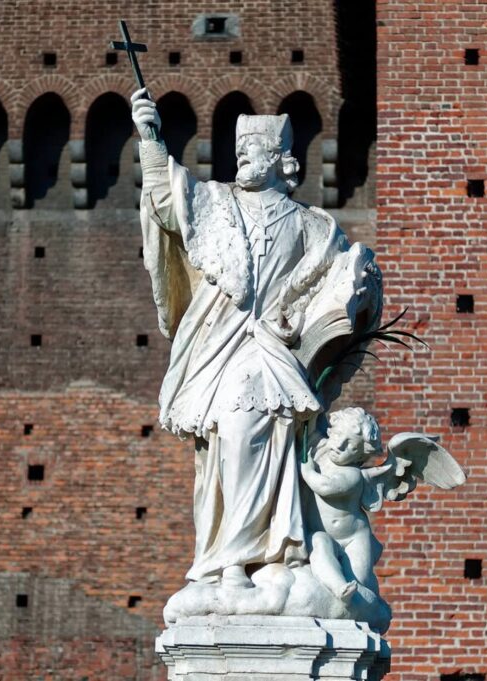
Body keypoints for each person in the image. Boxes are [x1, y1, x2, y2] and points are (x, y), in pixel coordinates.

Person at [131, 88, 348, 588]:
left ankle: (256, 556)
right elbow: (166, 200)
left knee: (270, 437)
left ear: (279, 159)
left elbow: (339, 279)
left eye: (252, 150)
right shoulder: (216, 203)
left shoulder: (313, 226)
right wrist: (150, 138)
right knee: (224, 443)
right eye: (240, 150)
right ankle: (228, 555)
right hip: (219, 344)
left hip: (274, 346)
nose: (242, 157)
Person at [299, 408, 389, 600]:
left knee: (361, 580)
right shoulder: (320, 452)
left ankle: (365, 599)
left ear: (360, 455)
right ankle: (339, 588)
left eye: (351, 446)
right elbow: (309, 428)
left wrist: (307, 472)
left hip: (354, 539)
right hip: (322, 534)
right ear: (331, 431)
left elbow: (326, 486)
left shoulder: (352, 474)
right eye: (338, 435)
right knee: (318, 547)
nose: (340, 445)